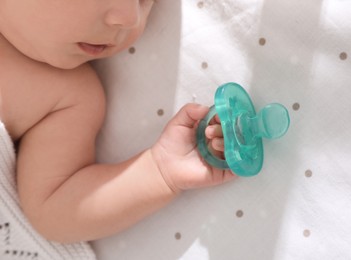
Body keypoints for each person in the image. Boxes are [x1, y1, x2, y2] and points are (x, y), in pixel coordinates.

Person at [0, 0, 236, 252]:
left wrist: (159, 170)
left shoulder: (65, 97)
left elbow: (54, 206)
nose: (129, 18)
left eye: (144, 2)